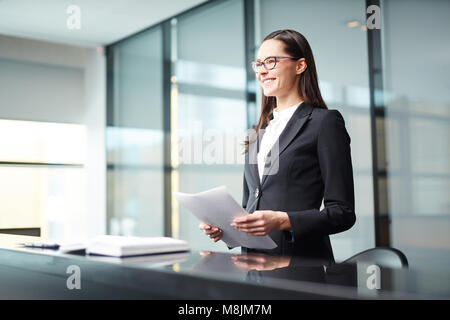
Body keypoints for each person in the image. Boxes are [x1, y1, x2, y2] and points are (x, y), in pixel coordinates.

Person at [199, 29, 355, 262]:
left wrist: (283, 220)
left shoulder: (324, 123)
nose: (262, 71)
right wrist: (227, 230)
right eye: (259, 63)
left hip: (301, 267)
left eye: (271, 61)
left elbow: (342, 213)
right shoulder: (258, 130)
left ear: (300, 65)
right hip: (252, 266)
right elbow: (250, 208)